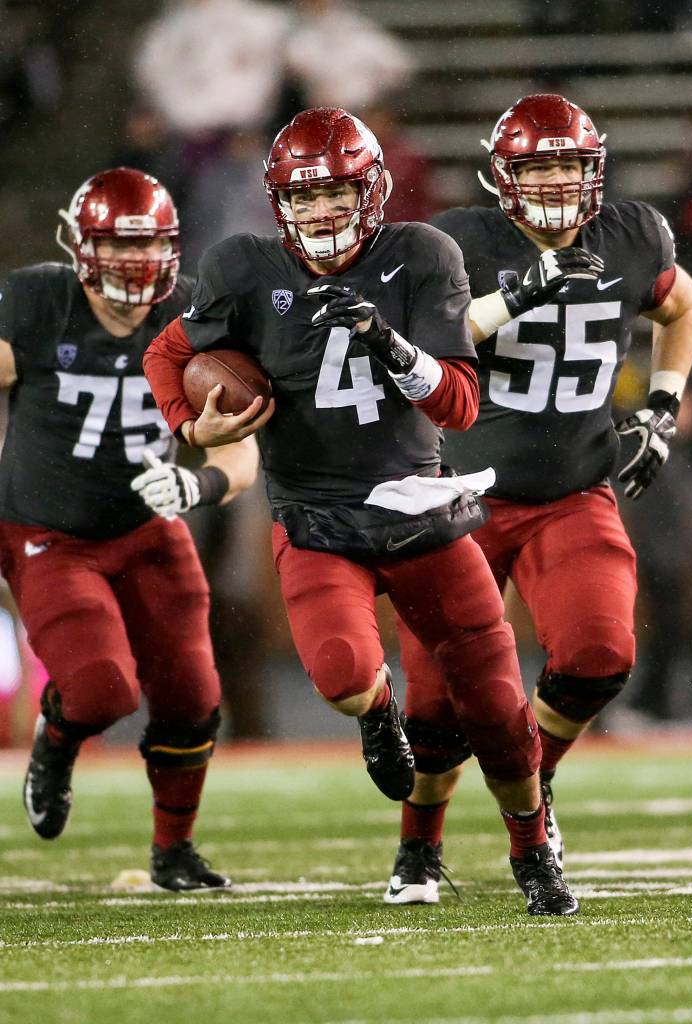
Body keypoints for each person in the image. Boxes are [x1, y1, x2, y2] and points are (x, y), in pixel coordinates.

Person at [142, 106, 605, 916]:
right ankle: (381, 715)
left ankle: (534, 850)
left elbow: (460, 406)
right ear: (279, 202)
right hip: (317, 516)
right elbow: (167, 351)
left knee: (497, 708)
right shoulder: (246, 267)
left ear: (375, 190)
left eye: (337, 193)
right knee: (345, 677)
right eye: (305, 196)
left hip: (419, 508)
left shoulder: (419, 255)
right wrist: (191, 425)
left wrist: (390, 344)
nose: (321, 212)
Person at [385, 92, 692, 904]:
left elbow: (682, 302)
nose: (557, 181)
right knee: (435, 707)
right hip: (457, 496)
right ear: (504, 176)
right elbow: (422, 350)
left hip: (573, 491)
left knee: (601, 653)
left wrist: (661, 405)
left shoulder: (632, 234)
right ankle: (419, 848)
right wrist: (525, 290)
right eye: (540, 166)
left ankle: (536, 779)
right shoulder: (458, 241)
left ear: (595, 171)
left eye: (570, 164)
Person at [0, 166, 260, 891]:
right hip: (50, 532)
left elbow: (240, 447)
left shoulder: (190, 317)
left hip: (150, 528)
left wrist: (197, 481)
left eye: (144, 248)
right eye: (114, 247)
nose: (131, 266)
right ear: (81, 248)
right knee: (100, 692)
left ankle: (173, 850)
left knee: (192, 694)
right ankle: (57, 739)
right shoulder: (39, 302)